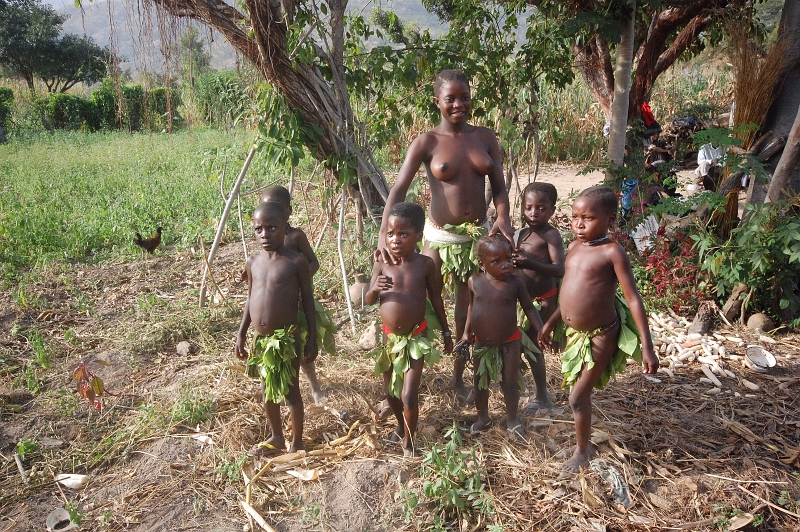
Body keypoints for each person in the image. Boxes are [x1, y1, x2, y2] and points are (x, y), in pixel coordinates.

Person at [376, 69, 514, 405]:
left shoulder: (485, 137)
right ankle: (400, 383)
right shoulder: (427, 142)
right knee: (413, 298)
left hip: (477, 238)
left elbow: (498, 188)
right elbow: (399, 188)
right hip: (439, 239)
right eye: (450, 98)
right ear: (437, 101)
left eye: (464, 97)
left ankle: (458, 377)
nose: (458, 104)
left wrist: (504, 217)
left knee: (468, 308)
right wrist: (383, 234)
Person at [540, 186, 659, 471]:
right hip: (576, 335)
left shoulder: (612, 252)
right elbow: (569, 293)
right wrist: (551, 321)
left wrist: (647, 347)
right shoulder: (573, 248)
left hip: (601, 334)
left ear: (609, 218)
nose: (579, 224)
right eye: (575, 217)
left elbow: (632, 298)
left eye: (588, 218)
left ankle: (583, 452)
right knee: (579, 394)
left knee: (577, 396)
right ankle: (583, 442)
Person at [365, 202, 453, 457]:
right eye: (391, 234)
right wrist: (373, 290)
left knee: (408, 394)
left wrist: (446, 332)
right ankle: (401, 426)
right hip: (389, 338)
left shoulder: (425, 265)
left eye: (403, 234)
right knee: (391, 392)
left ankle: (409, 443)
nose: (395, 240)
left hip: (416, 336)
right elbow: (369, 300)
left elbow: (436, 298)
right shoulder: (382, 264)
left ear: (418, 235)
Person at [235, 202, 317, 454]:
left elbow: (308, 301)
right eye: (259, 229)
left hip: (287, 339)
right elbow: (250, 299)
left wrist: (312, 338)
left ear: (284, 228)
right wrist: (241, 333)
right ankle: (276, 437)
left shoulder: (296, 262)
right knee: (267, 390)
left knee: (291, 391)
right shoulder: (253, 262)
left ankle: (297, 442)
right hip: (262, 341)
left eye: (271, 228)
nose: (265, 234)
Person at [461, 234, 546, 442]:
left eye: (508, 259)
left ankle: (512, 419)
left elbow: (528, 308)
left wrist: (542, 330)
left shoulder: (516, 283)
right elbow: (472, 308)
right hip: (482, 342)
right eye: (496, 261)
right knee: (480, 382)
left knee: (509, 382)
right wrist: (466, 333)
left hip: (510, 340)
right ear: (482, 264)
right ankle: (483, 417)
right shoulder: (475, 281)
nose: (505, 265)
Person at [261, 185, 334, 405]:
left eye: (278, 209)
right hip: (275, 306)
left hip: (297, 303)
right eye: (267, 207)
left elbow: (314, 262)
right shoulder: (265, 237)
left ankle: (313, 385)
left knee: (300, 349)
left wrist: (300, 282)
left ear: (289, 212)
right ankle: (276, 390)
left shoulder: (295, 236)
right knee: (271, 350)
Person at [512, 182, 565, 411]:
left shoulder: (550, 235)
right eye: (529, 207)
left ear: (552, 210)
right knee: (522, 346)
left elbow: (559, 269)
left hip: (542, 301)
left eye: (541, 208)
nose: (534, 213)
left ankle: (542, 396)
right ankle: (529, 392)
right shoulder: (521, 233)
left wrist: (529, 262)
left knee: (534, 347)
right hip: (523, 302)